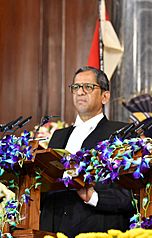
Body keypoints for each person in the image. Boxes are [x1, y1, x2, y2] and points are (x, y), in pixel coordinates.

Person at [40, 66, 134, 237]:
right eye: (76, 87)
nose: (80, 92)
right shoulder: (58, 136)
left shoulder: (121, 134)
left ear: (105, 96)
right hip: (52, 227)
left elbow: (129, 194)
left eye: (88, 87)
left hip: (96, 226)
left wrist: (92, 196)